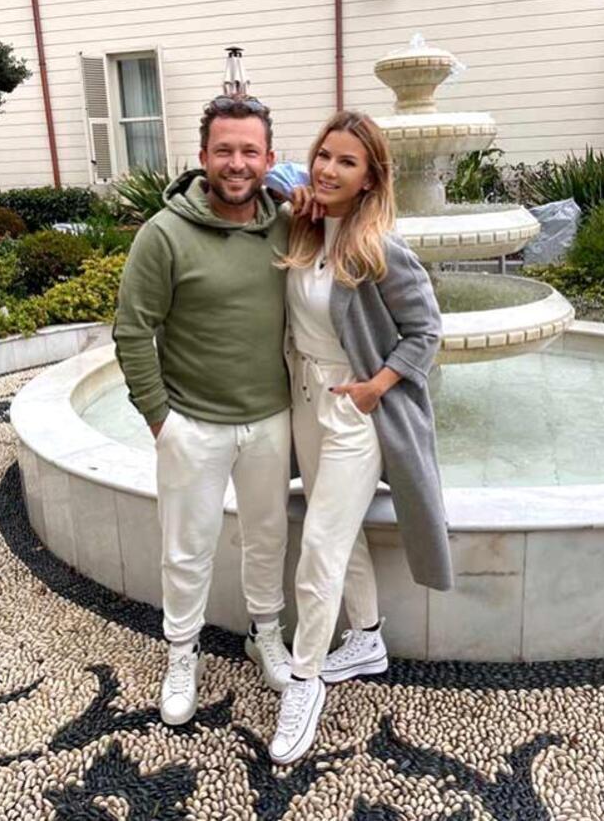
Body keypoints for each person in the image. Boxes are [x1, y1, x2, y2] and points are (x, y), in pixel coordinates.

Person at [268, 111, 454, 765]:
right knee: (337, 533)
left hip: (352, 409)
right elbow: (256, 177)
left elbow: (426, 331)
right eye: (323, 155)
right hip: (304, 400)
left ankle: (304, 681)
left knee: (319, 548)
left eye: (347, 162)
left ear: (372, 177)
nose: (328, 169)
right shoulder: (302, 224)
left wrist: (378, 385)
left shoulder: (380, 248)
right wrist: (292, 186)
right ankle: (368, 637)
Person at [112, 94, 297, 725]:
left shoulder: (289, 225)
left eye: (249, 151)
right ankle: (182, 653)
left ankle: (265, 634)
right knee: (186, 549)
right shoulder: (163, 234)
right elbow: (132, 329)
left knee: (268, 538)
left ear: (269, 158)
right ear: (203, 157)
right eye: (224, 150)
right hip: (191, 424)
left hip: (271, 419)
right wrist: (160, 420)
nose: (237, 163)